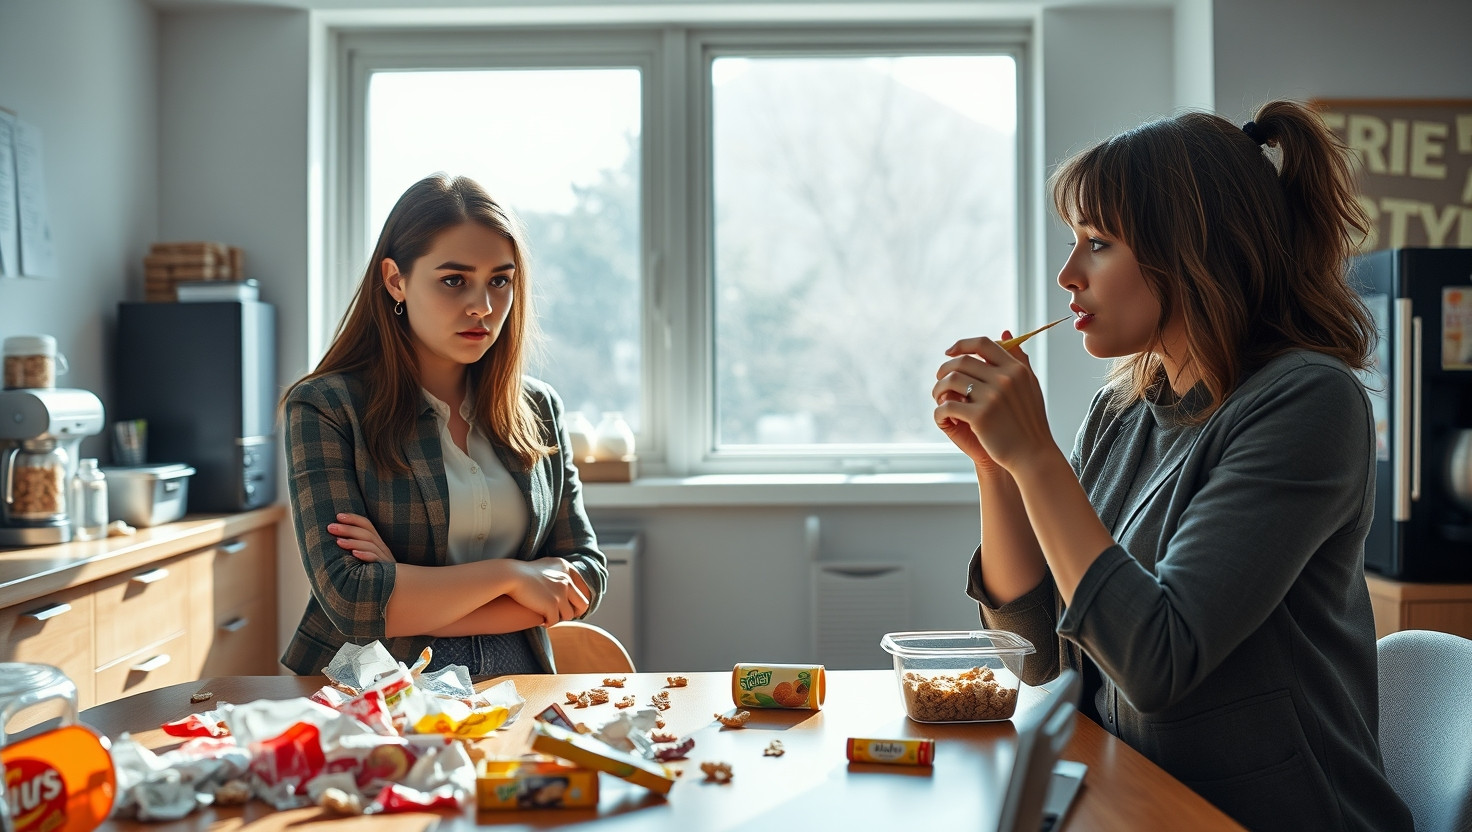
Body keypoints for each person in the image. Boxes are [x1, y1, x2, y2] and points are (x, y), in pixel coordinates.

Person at [932, 101, 1413, 831]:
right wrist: (996, 467)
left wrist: (1034, 454)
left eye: (1096, 243)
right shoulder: (1124, 410)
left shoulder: (1308, 404)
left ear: (1190, 252)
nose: (1068, 274)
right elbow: (1038, 660)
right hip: (1137, 796)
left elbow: (1156, 661)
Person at [280, 173, 608, 678]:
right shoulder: (325, 407)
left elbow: (585, 574)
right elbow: (350, 599)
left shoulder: (539, 409)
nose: (483, 305)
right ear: (396, 280)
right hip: (373, 685)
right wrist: (513, 575)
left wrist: (406, 589)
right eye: (454, 280)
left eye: (500, 280)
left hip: (520, 677)